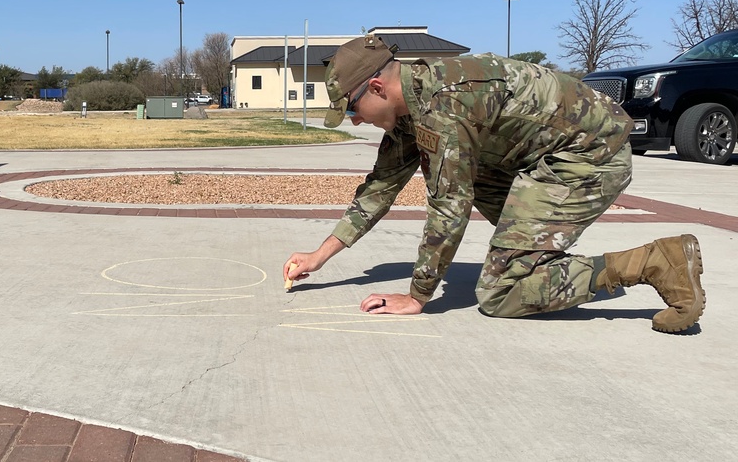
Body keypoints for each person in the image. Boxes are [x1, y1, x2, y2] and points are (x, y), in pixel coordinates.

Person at [283, 35, 706, 333]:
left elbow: (449, 204)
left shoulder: (443, 106)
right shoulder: (410, 109)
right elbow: (379, 188)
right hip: (546, 156)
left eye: (353, 109)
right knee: (482, 202)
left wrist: (418, 295)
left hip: (590, 155)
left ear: (377, 87)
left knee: (500, 293)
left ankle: (655, 262)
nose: (355, 120)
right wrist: (319, 256)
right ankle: (531, 255)